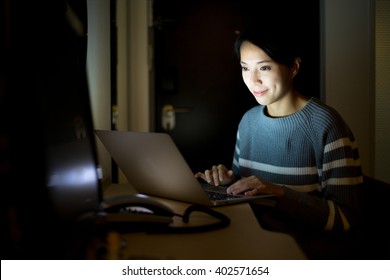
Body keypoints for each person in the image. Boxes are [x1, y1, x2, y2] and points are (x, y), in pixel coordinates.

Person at [195, 26, 363, 238]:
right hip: (249, 237)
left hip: (299, 250)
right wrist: (228, 183)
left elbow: (346, 218)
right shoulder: (249, 121)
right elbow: (248, 190)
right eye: (245, 68)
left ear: (293, 67)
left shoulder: (325, 124)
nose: (252, 80)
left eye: (264, 68)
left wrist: (279, 192)